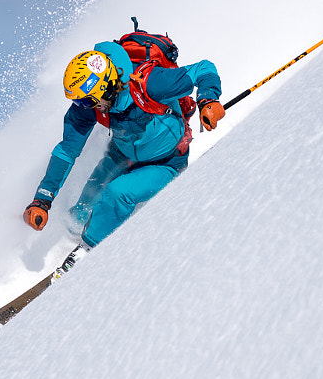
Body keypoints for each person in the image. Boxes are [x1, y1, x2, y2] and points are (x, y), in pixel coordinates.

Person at [23, 35, 224, 255]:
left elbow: (203, 69)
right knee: (80, 212)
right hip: (123, 154)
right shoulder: (91, 106)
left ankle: (88, 249)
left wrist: (208, 99)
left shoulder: (149, 83)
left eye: (87, 100)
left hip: (166, 161)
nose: (83, 107)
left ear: (106, 87)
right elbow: (66, 151)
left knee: (117, 194)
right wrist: (42, 200)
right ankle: (76, 233)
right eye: (78, 101)